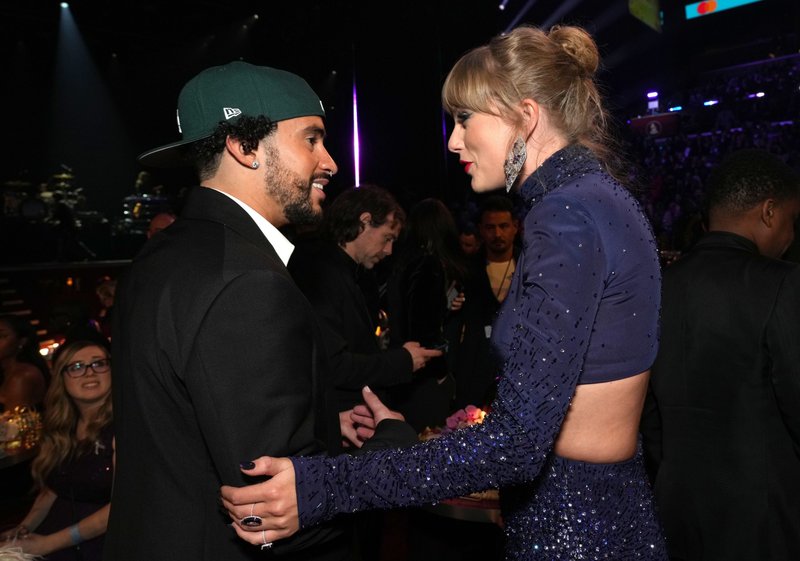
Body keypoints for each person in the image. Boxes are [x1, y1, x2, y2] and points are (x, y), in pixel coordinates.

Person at [221, 24, 668, 560]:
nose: (453, 140)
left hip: (572, 523)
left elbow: (516, 445)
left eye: (464, 118)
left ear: (524, 116)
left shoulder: (566, 215)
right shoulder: (602, 197)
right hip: (606, 509)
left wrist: (320, 486)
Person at [103, 61, 411, 561]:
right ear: (244, 147)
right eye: (311, 139)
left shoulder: (163, 254)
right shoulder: (246, 281)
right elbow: (272, 516)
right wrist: (393, 442)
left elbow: (193, 423)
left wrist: (324, 426)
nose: (330, 161)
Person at [640, 148, 800, 560]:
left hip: (674, 513)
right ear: (769, 212)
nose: (791, 236)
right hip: (766, 521)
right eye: (790, 220)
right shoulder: (783, 284)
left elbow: (648, 416)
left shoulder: (657, 288)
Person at [288, 184, 441, 417]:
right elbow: (332, 366)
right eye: (387, 238)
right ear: (364, 222)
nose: (389, 250)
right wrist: (402, 361)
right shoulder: (318, 270)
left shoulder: (350, 272)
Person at [0, 339, 113, 561]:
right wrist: (23, 528)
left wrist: (46, 545)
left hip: (100, 541)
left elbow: (122, 506)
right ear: (62, 378)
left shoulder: (126, 429)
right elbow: (52, 488)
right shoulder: (63, 427)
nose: (89, 372)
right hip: (56, 531)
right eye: (77, 367)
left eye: (99, 363)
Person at [383, 197, 468, 432]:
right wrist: (442, 375)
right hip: (424, 375)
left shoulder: (401, 262)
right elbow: (424, 327)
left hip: (402, 371)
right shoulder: (427, 264)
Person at [450, 194, 521, 409]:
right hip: (474, 371)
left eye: (503, 226)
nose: (497, 234)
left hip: (519, 367)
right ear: (480, 229)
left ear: (515, 227)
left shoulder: (530, 268)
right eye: (490, 227)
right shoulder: (466, 270)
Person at [0, 313, 49, 413]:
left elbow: (12, 425)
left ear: (22, 341)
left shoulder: (23, 376)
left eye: (1, 336)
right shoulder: (5, 371)